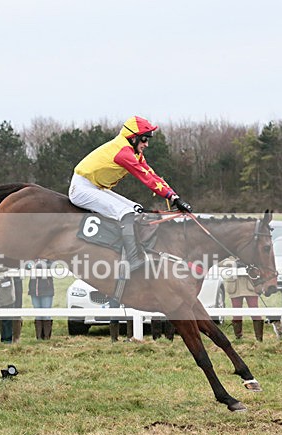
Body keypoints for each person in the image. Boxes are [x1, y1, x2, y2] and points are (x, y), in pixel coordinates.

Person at [68, 116, 192, 271]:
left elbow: (152, 174)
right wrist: (171, 197)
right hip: (82, 188)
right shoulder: (123, 153)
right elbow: (146, 178)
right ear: (133, 138)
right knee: (126, 213)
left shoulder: (134, 152)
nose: (146, 144)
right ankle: (132, 260)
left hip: (96, 187)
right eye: (144, 139)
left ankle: (137, 250)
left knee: (136, 209)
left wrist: (175, 197)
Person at [226, 258, 263, 341]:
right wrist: (233, 263)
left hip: (250, 284)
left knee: (254, 310)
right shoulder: (227, 247)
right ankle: (238, 337)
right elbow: (221, 262)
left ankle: (259, 337)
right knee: (236, 311)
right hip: (234, 285)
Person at [27, 259, 55, 340]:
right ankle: (39, 337)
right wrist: (30, 265)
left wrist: (38, 265)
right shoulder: (32, 257)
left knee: (46, 314)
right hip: (34, 291)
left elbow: (53, 265)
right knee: (37, 314)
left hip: (47, 290)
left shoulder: (49, 257)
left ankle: (46, 337)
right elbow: (26, 265)